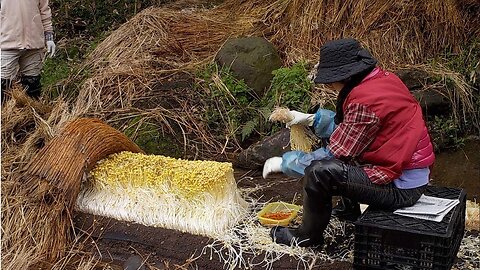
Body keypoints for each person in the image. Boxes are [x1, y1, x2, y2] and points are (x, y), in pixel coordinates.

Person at [263, 38, 435, 247]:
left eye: (331, 81)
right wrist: (312, 119)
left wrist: (287, 163)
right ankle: (349, 209)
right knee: (336, 155)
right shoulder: (383, 80)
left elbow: (337, 152)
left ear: (346, 76)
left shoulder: (365, 102)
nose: (330, 85)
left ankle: (306, 236)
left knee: (319, 172)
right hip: (407, 174)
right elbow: (349, 131)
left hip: (401, 188)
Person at [1, 0, 56, 100]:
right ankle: (4, 114)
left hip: (34, 43)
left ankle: (32, 113)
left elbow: (45, 11)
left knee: (32, 84)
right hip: (6, 44)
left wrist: (49, 37)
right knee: (3, 85)